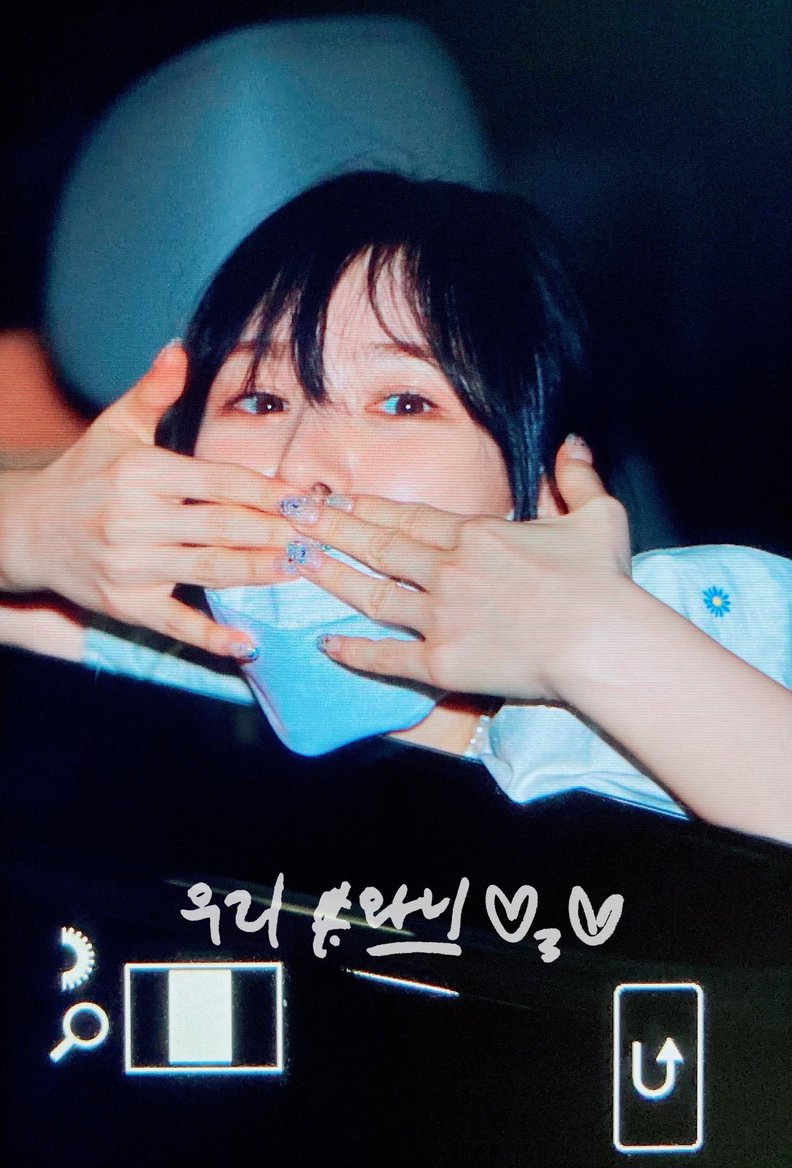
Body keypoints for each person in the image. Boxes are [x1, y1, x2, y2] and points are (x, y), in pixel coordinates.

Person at [1, 172, 790, 844]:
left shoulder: (704, 621)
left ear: (545, 491)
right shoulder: (190, 667)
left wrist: (593, 640)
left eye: (404, 403)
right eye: (260, 399)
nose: (301, 464)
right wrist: (30, 525)